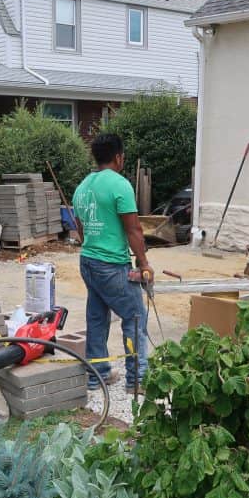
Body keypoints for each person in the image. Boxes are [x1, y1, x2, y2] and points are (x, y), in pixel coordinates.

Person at [72, 133, 152, 392]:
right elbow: (134, 230)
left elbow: (80, 229)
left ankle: (98, 375)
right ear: (119, 157)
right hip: (111, 265)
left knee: (96, 318)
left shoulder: (82, 186)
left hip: (88, 261)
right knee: (134, 316)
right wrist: (143, 264)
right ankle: (137, 379)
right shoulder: (120, 185)